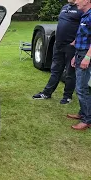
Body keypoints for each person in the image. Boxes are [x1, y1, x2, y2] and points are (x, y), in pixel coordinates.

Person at [32, 0, 83, 104]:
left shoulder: (81, 9)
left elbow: (84, 27)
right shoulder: (65, 7)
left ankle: (67, 96)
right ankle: (46, 93)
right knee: (55, 70)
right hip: (58, 44)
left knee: (70, 72)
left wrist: (77, 40)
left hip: (71, 46)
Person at [68, 0, 91, 130]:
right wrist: (75, 57)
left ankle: (87, 119)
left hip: (85, 54)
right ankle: (82, 113)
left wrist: (87, 57)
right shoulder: (84, 15)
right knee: (80, 87)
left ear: (87, 0)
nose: (75, 1)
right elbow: (83, 37)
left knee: (82, 88)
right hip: (80, 53)